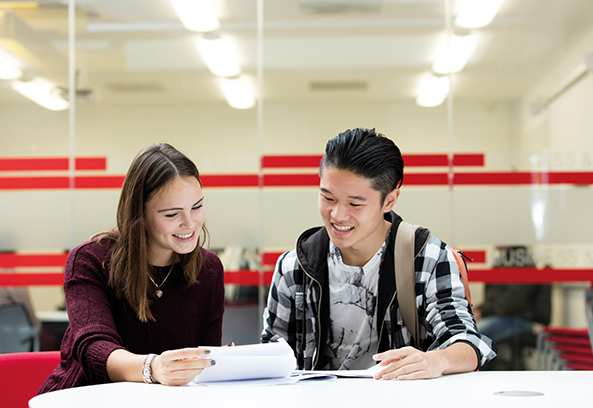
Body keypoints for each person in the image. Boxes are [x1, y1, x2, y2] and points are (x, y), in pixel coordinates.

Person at [262, 128, 497, 380]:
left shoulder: (427, 257)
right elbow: (271, 351)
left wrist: (435, 360)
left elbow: (468, 343)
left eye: (355, 204)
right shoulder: (294, 266)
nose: (338, 215)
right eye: (328, 198)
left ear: (389, 201)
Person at [39, 143, 225, 393]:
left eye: (197, 206)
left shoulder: (209, 269)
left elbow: (205, 361)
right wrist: (153, 367)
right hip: (87, 398)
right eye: (172, 214)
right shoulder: (90, 261)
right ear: (139, 213)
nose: (190, 223)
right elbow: (94, 349)